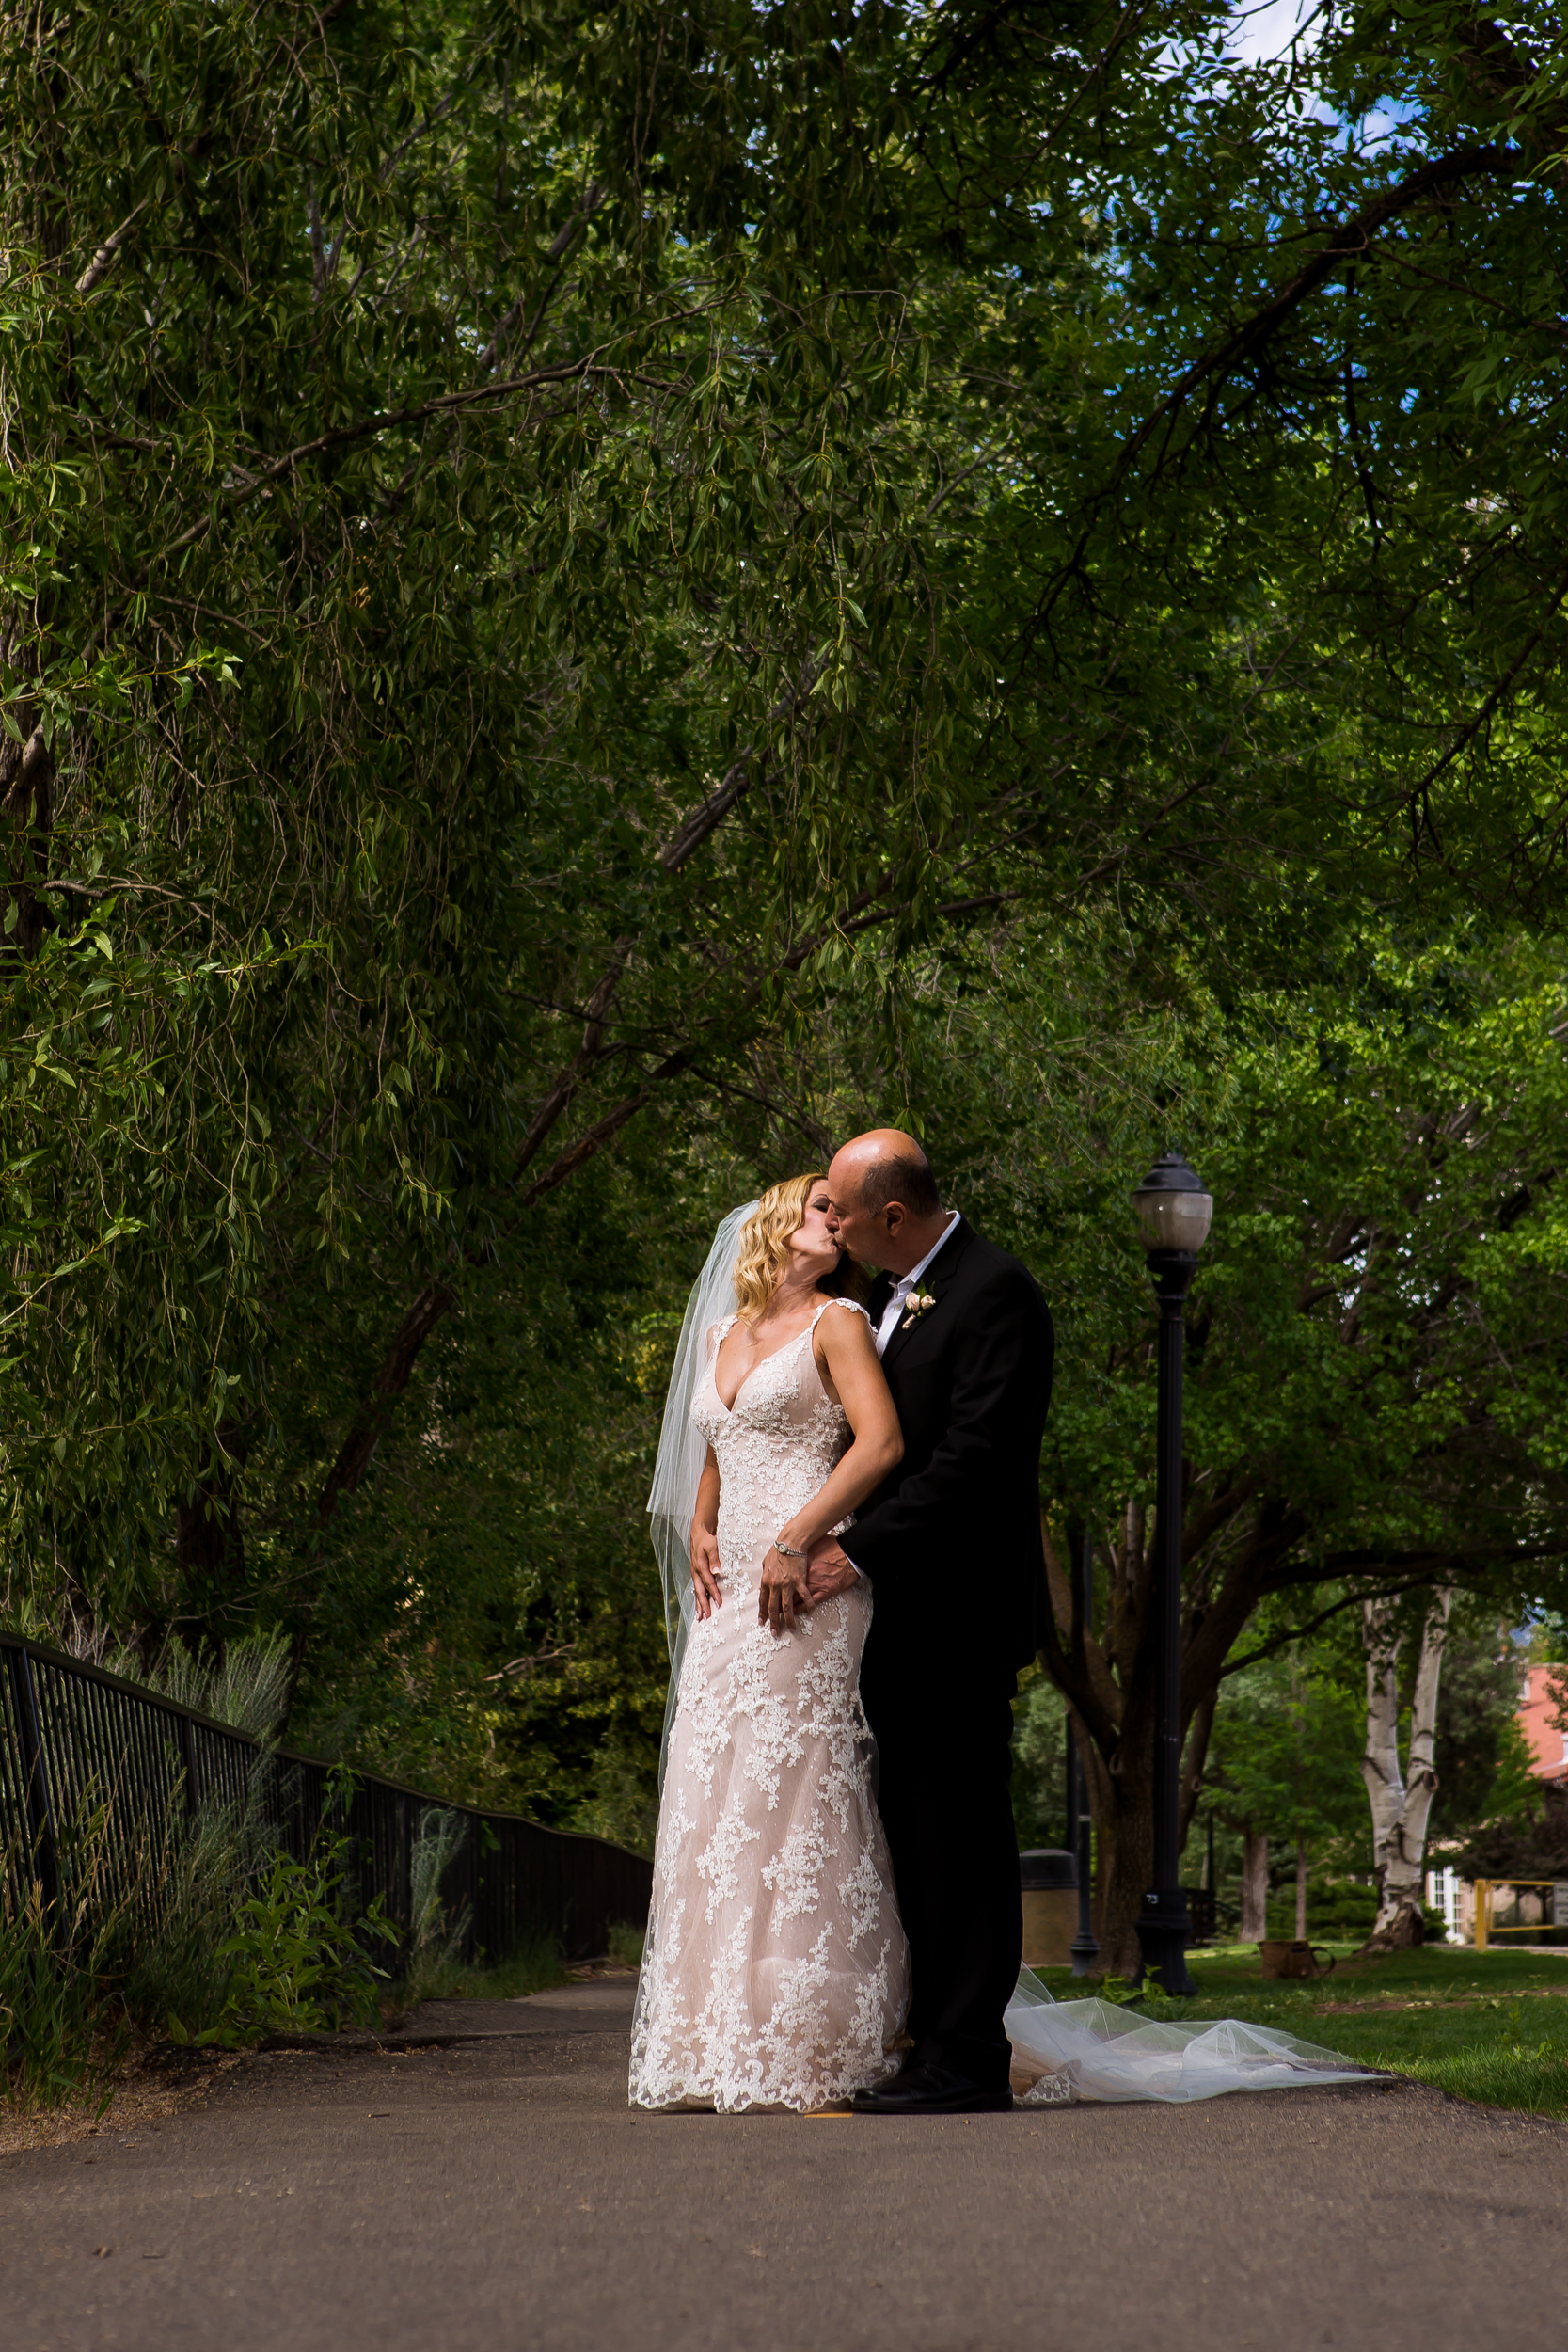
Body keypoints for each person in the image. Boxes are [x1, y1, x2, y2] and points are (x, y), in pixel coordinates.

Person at [762, 1129, 1054, 2115]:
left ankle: (967, 2058)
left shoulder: (993, 1290)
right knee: (913, 1831)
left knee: (960, 1833)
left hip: (960, 1609)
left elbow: (974, 1458)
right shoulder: (888, 1298)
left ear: (891, 1216)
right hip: (898, 1616)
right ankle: (932, 2040)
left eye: (840, 1211)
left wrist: (857, 1547)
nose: (830, 1225)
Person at [628, 1174, 911, 2112]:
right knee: (715, 1791)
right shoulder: (719, 1336)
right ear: (776, 1225)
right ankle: (715, 2041)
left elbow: (876, 1448)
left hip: (805, 1592)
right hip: (726, 1602)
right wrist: (702, 1527)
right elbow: (715, 1440)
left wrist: (796, 1539)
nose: (838, 1221)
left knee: (796, 1796)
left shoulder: (838, 1322)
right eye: (822, 1207)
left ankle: (812, 2042)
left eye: (845, 1210)